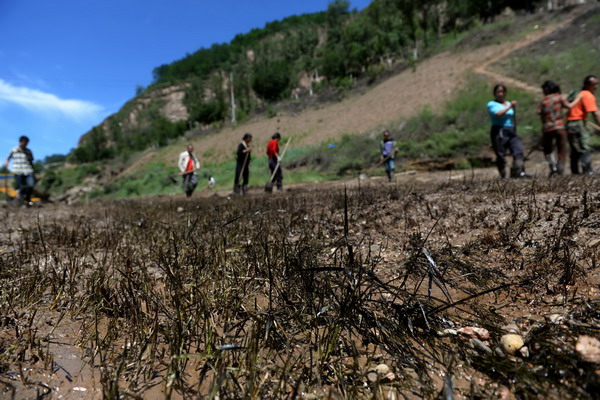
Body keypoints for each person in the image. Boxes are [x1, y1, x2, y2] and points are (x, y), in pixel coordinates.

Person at [487, 84, 527, 179]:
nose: (500, 94)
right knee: (501, 154)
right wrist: (510, 107)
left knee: (518, 150)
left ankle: (519, 171)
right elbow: (498, 114)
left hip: (511, 129)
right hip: (499, 130)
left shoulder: (508, 103)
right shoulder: (492, 104)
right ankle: (503, 174)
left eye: (502, 92)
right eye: (498, 92)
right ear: (495, 93)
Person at [565, 75, 600, 175]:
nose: (596, 86)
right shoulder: (587, 95)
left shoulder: (578, 93)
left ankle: (575, 171)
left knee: (575, 148)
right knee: (586, 147)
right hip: (578, 123)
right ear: (587, 85)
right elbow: (595, 113)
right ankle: (587, 170)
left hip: (570, 123)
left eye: (597, 84)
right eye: (594, 84)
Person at [537, 80, 572, 176]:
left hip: (547, 127)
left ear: (547, 89)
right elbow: (569, 106)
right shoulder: (559, 98)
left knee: (548, 149)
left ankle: (553, 167)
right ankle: (560, 168)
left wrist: (544, 126)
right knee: (562, 148)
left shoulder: (543, 101)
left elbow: (540, 114)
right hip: (559, 126)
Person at [3, 136, 35, 206]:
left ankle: (27, 199)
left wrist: (33, 171)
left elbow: (31, 162)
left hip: (28, 170)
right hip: (18, 170)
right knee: (20, 187)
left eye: (26, 143)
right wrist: (6, 163)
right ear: (20, 142)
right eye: (23, 142)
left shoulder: (29, 151)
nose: (25, 144)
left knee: (31, 184)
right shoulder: (14, 150)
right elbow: (8, 158)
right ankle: (20, 202)